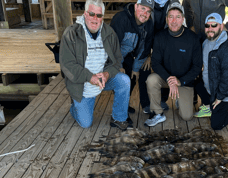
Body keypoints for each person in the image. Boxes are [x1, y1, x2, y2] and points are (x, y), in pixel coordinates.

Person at [60, 0, 132, 130]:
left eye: (99, 15)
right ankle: (74, 107)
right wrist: (90, 77)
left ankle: (119, 118)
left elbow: (117, 59)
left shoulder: (110, 33)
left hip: (101, 79)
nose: (95, 18)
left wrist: (106, 73)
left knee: (124, 81)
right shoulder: (71, 33)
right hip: (82, 83)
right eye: (91, 13)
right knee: (86, 123)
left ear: (102, 17)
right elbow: (67, 65)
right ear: (85, 14)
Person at [145, 2, 202, 127]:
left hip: (184, 81)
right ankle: (157, 113)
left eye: (177, 17)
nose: (174, 21)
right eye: (171, 17)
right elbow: (155, 63)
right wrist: (170, 79)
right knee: (151, 79)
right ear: (166, 19)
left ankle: (179, 100)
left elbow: (197, 67)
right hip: (166, 78)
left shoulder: (192, 38)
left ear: (183, 19)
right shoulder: (160, 37)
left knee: (187, 117)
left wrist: (179, 81)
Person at [110, 0, 155, 114]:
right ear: (136, 7)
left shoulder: (149, 24)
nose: (145, 14)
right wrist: (118, 66)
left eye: (148, 11)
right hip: (113, 57)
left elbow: (145, 48)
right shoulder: (121, 18)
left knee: (141, 71)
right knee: (124, 77)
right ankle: (121, 109)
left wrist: (136, 69)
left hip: (129, 55)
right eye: (143, 9)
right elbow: (113, 46)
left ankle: (143, 105)